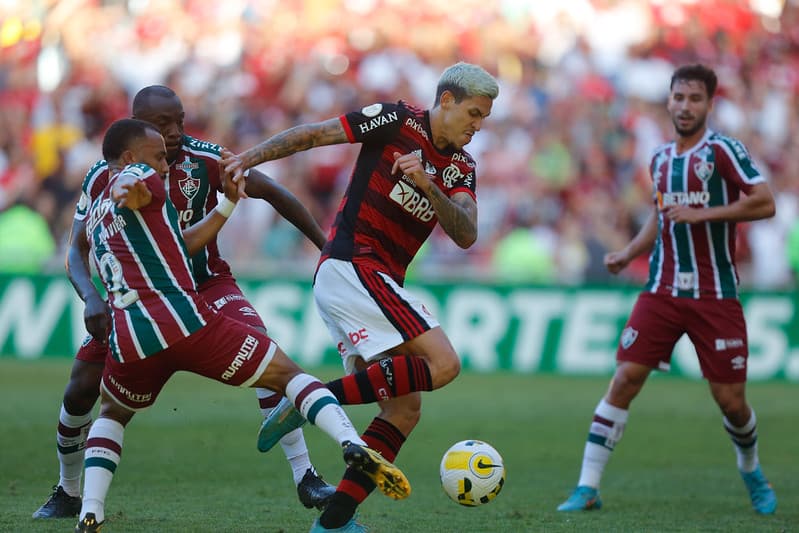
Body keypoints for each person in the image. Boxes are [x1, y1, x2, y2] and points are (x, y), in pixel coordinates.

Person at [73, 118, 409, 532]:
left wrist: (226, 204)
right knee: (288, 375)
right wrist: (132, 183)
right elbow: (135, 182)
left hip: (131, 339)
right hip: (184, 322)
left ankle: (91, 511)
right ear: (128, 157)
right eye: (158, 156)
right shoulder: (136, 176)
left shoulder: (98, 210)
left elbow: (179, 246)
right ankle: (352, 443)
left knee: (110, 412)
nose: (165, 165)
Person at [33, 86, 335, 520]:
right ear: (137, 125)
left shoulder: (206, 159)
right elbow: (74, 250)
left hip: (207, 284)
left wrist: (327, 252)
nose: (175, 132)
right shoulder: (103, 176)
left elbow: (273, 192)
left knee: (263, 349)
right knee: (82, 386)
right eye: (162, 125)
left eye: (180, 120)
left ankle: (307, 476)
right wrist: (91, 298)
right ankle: (68, 490)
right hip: (138, 299)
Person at [222, 62, 499, 532]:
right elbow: (316, 135)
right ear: (446, 101)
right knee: (445, 364)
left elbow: (467, 233)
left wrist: (428, 185)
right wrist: (250, 158)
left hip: (371, 280)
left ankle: (333, 523)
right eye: (473, 113)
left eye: (484, 118)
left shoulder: (461, 167)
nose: (477, 125)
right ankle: (311, 402)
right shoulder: (396, 121)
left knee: (404, 409)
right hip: (353, 265)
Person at [557, 64, 778, 515]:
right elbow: (661, 219)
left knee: (731, 402)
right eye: (678, 98)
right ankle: (587, 486)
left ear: (709, 105)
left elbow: (764, 201)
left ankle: (751, 468)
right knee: (624, 379)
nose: (685, 106)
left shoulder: (723, 151)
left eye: (694, 99)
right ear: (669, 101)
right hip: (661, 289)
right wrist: (627, 251)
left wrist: (704, 215)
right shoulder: (659, 159)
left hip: (715, 293)